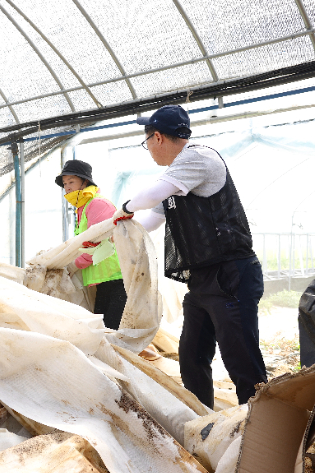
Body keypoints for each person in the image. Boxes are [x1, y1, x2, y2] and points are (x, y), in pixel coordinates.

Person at [111, 105, 267, 409]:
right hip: (202, 281)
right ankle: (203, 420)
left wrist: (127, 206)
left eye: (147, 144)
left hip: (231, 275)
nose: (149, 152)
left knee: (241, 361)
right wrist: (114, 236)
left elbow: (150, 197)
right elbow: (152, 221)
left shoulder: (197, 158)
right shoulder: (177, 177)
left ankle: (262, 430)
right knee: (192, 357)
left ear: (157, 137)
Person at [56, 160, 127, 330]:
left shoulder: (97, 204)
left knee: (110, 334)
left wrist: (74, 265)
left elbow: (96, 243)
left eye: (71, 182)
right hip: (105, 281)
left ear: (85, 182)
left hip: (117, 279)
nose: (67, 187)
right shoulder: (83, 207)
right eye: (65, 183)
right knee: (102, 332)